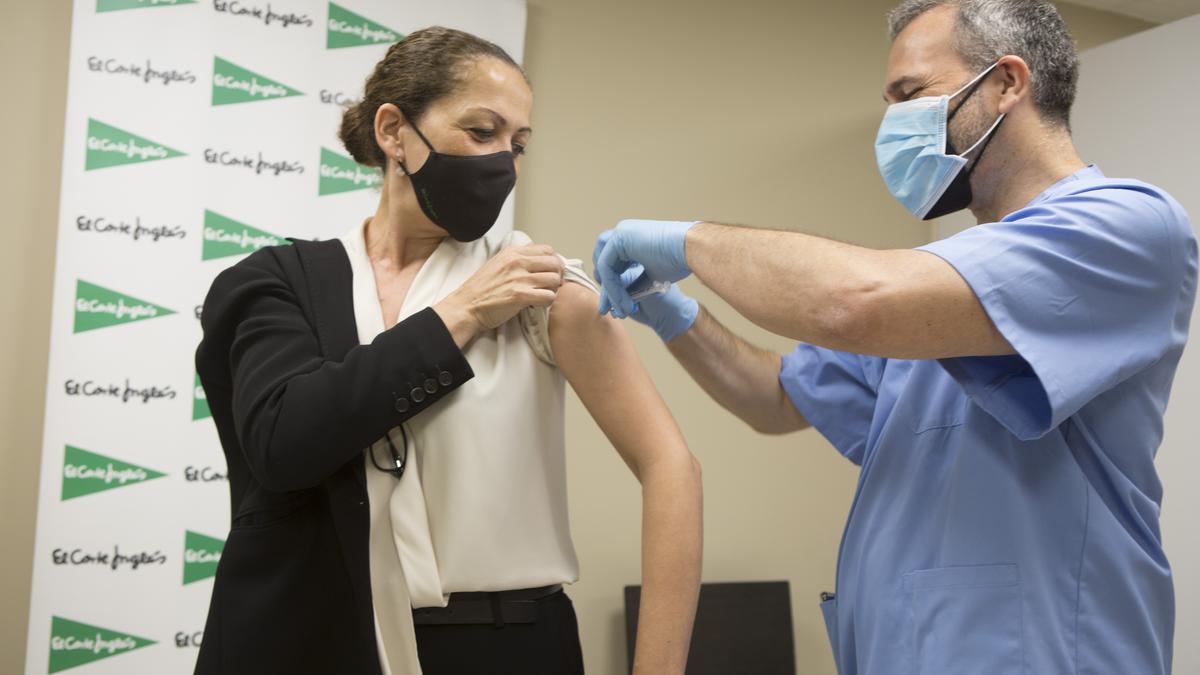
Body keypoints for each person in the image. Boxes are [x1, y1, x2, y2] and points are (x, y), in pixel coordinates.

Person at [591, 2, 1195, 674]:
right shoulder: (950, 278)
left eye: (911, 95)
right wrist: (673, 315)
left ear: (1008, 83)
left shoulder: (1127, 228)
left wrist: (690, 240)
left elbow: (852, 302)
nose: (895, 122)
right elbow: (777, 398)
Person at [194, 27, 701, 675]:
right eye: (481, 131)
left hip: (505, 644)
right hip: (318, 642)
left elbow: (672, 467)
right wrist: (461, 312)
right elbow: (286, 440)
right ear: (392, 132)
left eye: (518, 144)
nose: (503, 161)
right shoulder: (276, 283)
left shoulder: (540, 289)